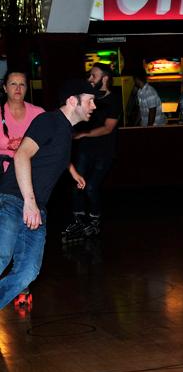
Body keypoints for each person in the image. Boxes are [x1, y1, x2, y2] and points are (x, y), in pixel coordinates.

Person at [0, 80, 94, 309]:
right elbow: (22, 156)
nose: (94, 106)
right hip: (15, 200)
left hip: (36, 209)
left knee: (27, 273)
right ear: (73, 101)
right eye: (90, 100)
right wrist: (29, 203)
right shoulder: (49, 121)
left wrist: (72, 171)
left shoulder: (65, 132)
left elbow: (51, 155)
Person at [62, 63, 122, 241]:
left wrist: (83, 133)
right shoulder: (86, 97)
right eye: (89, 75)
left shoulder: (114, 100)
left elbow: (108, 128)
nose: (89, 78)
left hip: (104, 152)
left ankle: (94, 221)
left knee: (91, 187)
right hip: (84, 150)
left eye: (93, 76)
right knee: (77, 186)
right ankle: (78, 221)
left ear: (105, 78)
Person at [1, 71, 44, 175]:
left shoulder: (38, 113)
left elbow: (53, 144)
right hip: (4, 175)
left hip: (34, 172)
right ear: (5, 88)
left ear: (26, 88)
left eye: (22, 84)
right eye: (13, 84)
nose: (18, 88)